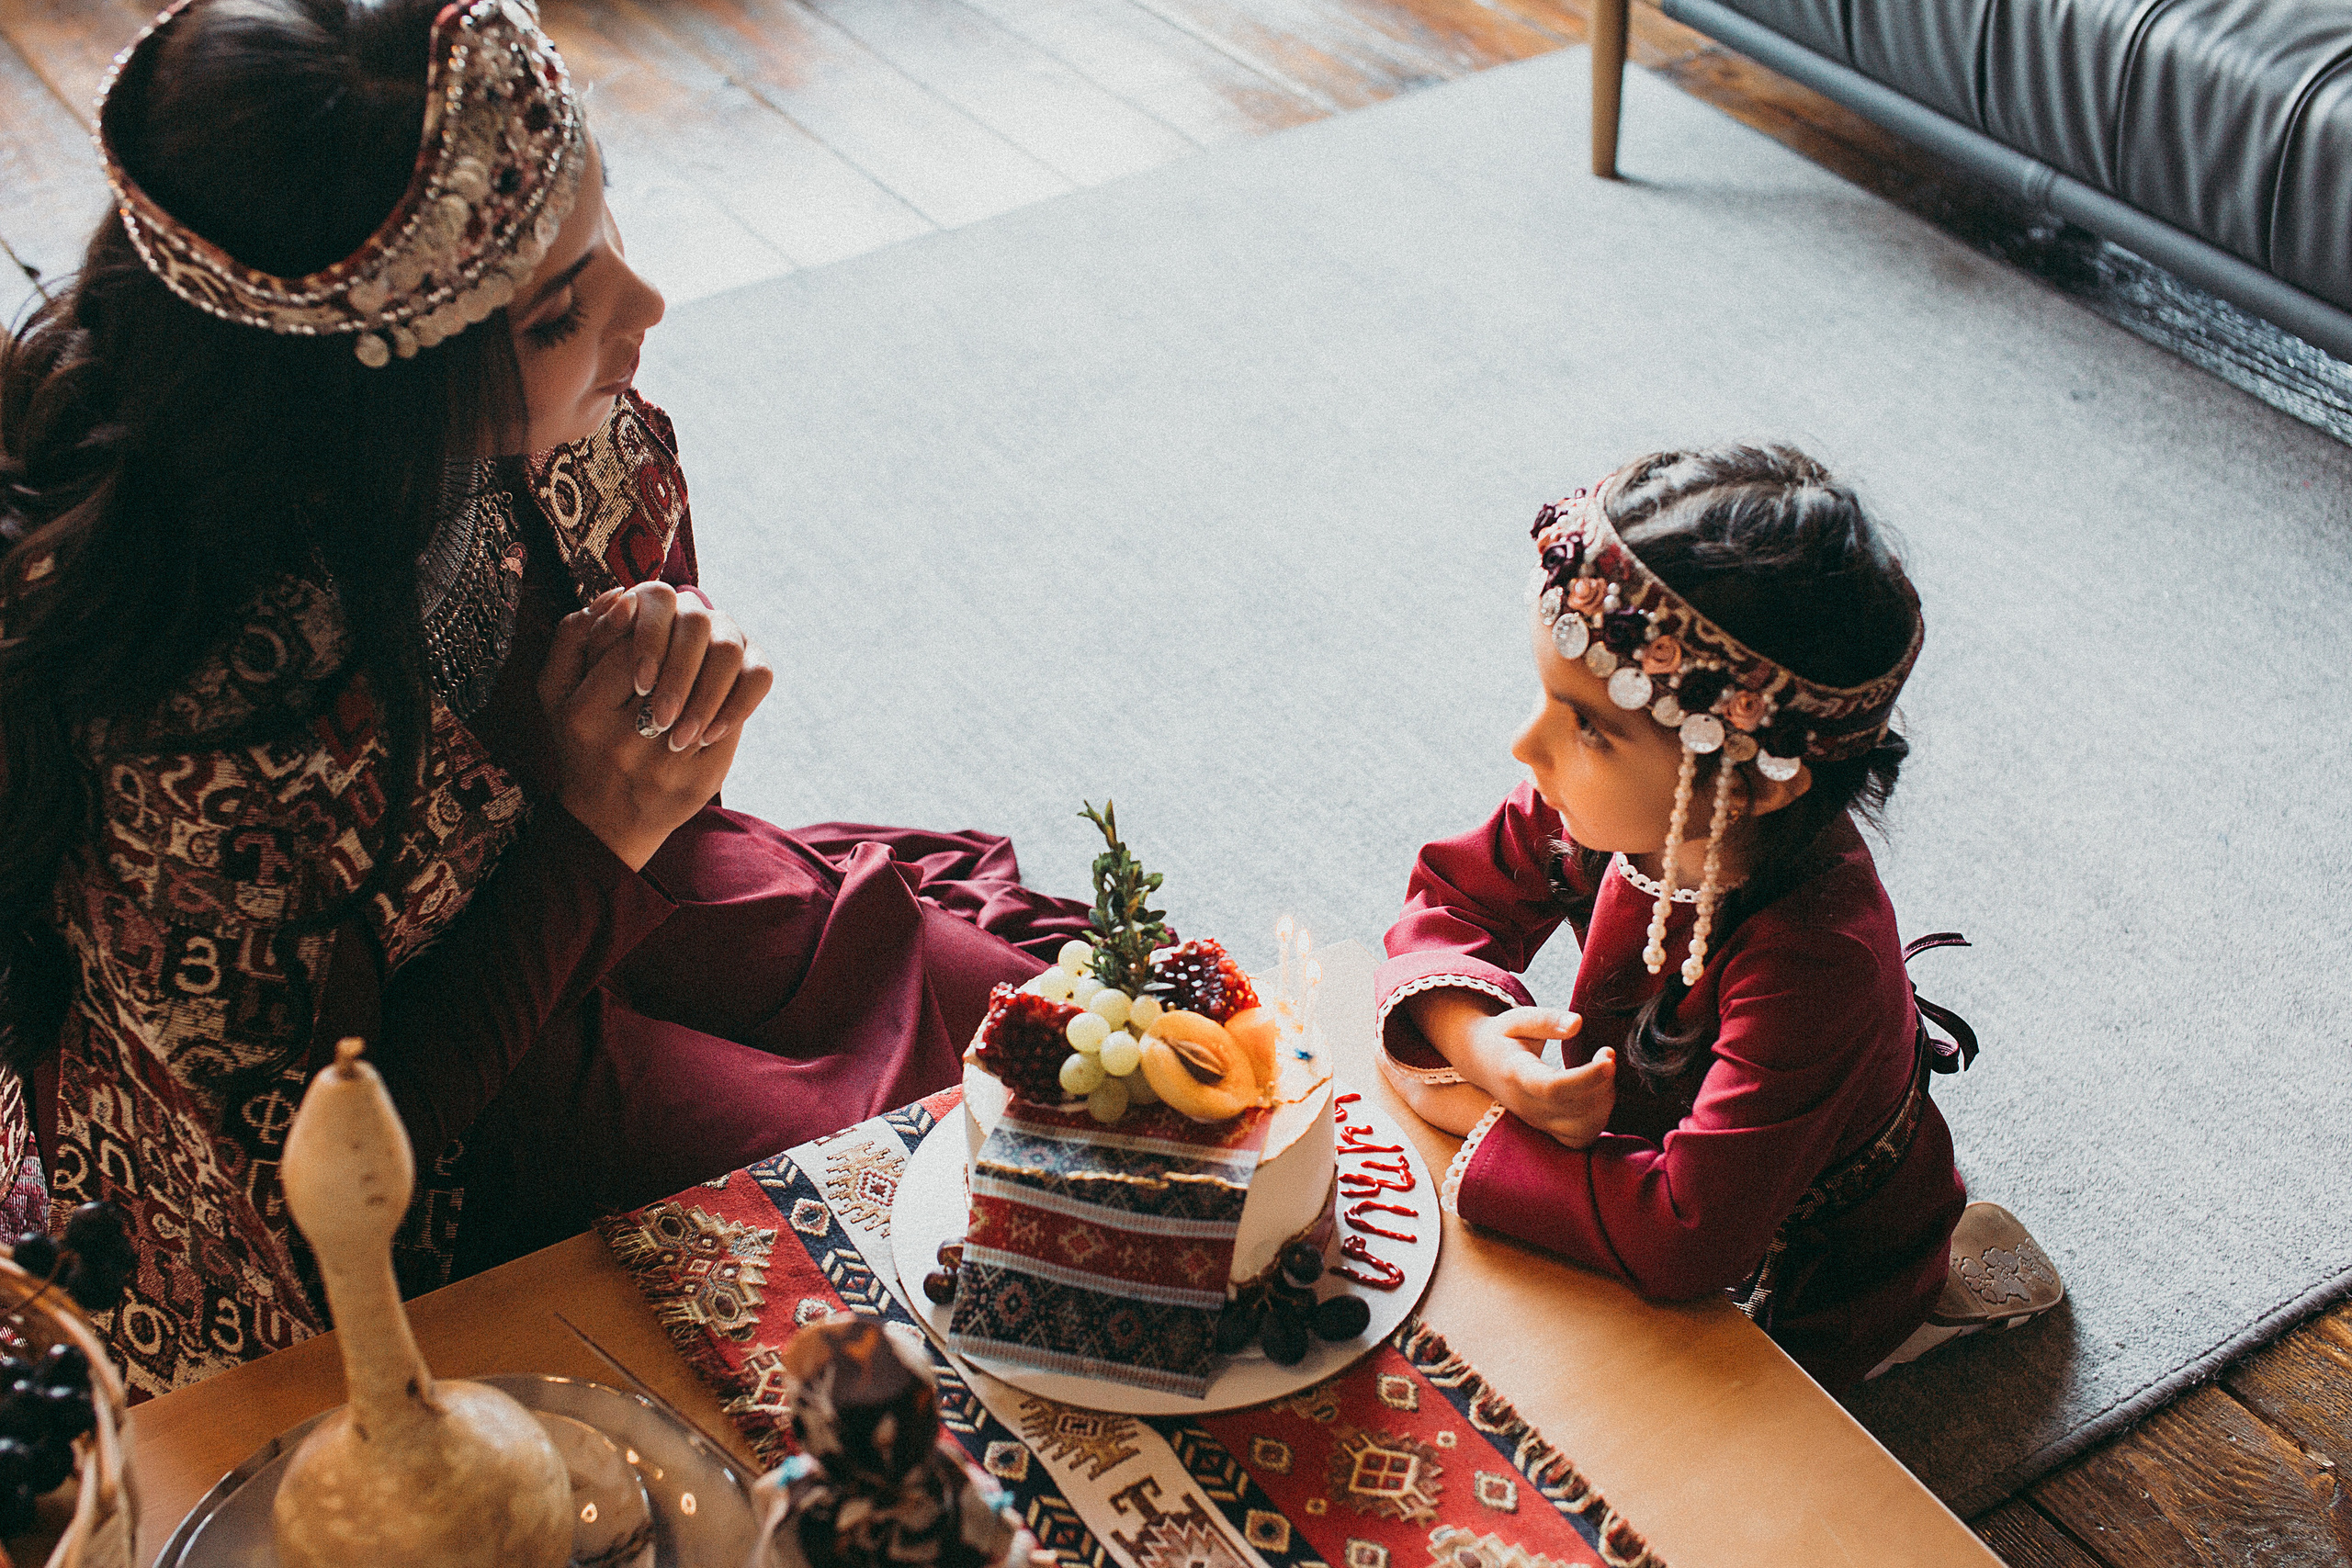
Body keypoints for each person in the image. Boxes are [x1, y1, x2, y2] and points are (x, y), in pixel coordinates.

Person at [0, 0, 1091, 1396]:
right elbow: (322, 1184)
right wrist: (596, 829)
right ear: (369, 400)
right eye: (561, 312)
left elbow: (641, 722)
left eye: (604, 219)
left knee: (1049, 1050)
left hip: (604, 885)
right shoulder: (204, 724)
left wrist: (666, 691)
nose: (644, 309)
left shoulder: (514, 416)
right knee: (903, 1234)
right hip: (426, 1121)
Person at [1374, 446, 2062, 1393]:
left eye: (1587, 725)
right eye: (1546, 699)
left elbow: (1689, 1236)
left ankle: (1921, 1298)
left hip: (1789, 1245)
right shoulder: (1616, 808)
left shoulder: (1818, 963)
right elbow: (1453, 901)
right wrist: (1482, 1047)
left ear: (1758, 785)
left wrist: (1470, 1111)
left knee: (1678, 1409)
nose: (1525, 744)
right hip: (1649, 1143)